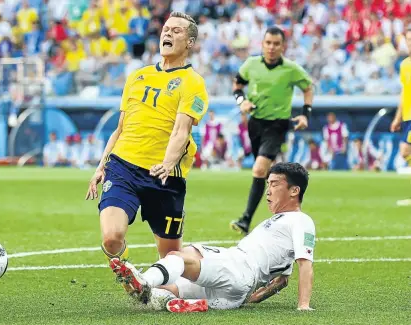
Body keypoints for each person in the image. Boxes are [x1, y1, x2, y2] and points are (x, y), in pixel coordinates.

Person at [85, 11, 209, 288]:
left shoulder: (194, 83)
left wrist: (167, 162)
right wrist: (101, 165)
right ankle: (130, 279)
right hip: (123, 166)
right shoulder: (137, 76)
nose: (168, 33)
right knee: (111, 237)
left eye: (177, 31)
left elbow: (181, 131)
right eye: (166, 28)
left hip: (165, 175)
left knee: (172, 258)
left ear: (189, 42)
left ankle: (223, 279)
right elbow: (120, 128)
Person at [111, 162, 316, 313]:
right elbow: (282, 280)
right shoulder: (282, 222)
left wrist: (303, 306)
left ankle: (143, 280)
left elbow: (305, 263)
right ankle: (177, 302)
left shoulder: (301, 220)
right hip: (236, 292)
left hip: (239, 266)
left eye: (274, 184)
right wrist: (252, 299)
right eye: (268, 184)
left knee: (182, 255)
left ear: (294, 190)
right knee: (168, 288)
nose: (267, 191)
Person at [230, 26, 314, 234]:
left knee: (259, 169)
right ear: (263, 44)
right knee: (267, 172)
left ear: (283, 46)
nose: (272, 47)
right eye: (268, 43)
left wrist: (305, 114)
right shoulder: (251, 64)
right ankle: (283, 210)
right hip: (255, 123)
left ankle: (245, 219)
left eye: (276, 44)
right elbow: (238, 84)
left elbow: (308, 88)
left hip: (277, 124)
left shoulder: (291, 69)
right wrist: (242, 102)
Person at [391, 27, 411, 206]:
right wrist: (398, 118)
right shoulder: (405, 65)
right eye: (409, 40)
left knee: (405, 150)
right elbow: (404, 92)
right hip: (407, 117)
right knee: (406, 152)